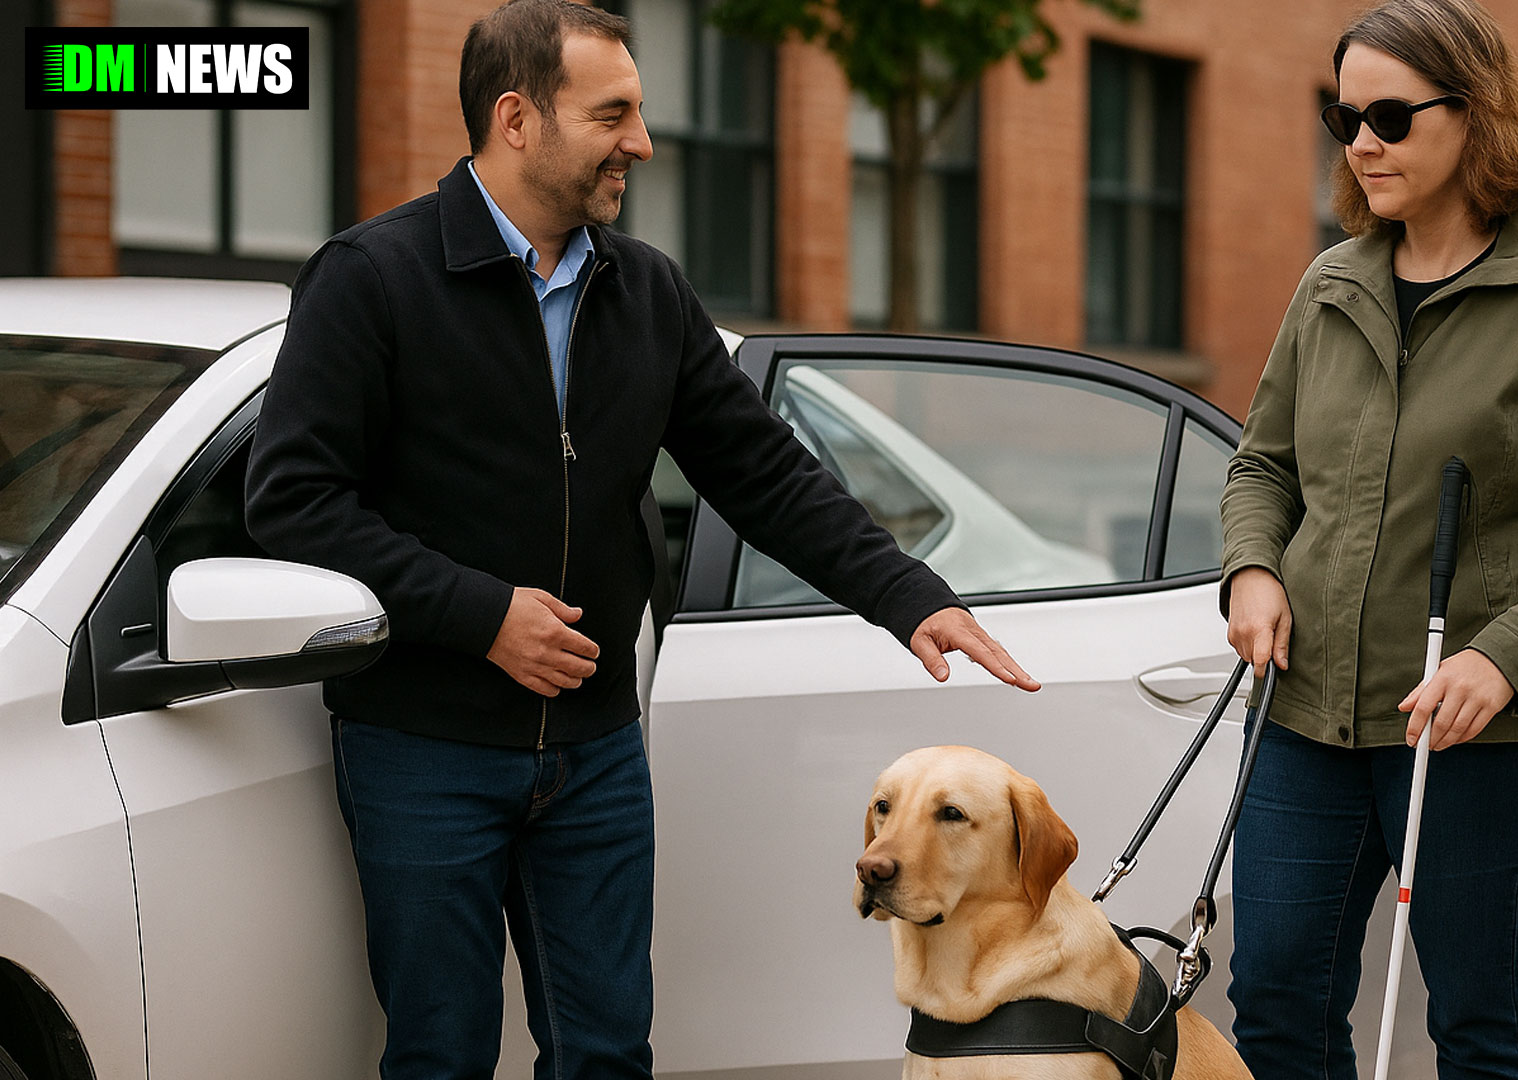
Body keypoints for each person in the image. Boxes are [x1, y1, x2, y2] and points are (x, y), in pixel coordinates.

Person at [244, 1, 1039, 1076]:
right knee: (440, 1055)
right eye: (613, 113)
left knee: (609, 1053)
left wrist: (908, 594)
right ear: (517, 118)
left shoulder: (647, 289)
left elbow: (760, 471)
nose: (642, 143)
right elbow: (293, 499)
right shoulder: (372, 279)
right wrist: (482, 616)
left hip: (595, 752)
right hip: (420, 748)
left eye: (641, 111)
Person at [1218, 1, 1518, 1077]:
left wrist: (1502, 661)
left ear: (1476, 117)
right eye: (1344, 118)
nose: (1362, 142)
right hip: (1308, 710)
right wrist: (1251, 570)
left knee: (1477, 1017)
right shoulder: (1331, 283)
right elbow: (1263, 466)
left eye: (1389, 115)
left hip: (1489, 735)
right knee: (1276, 991)